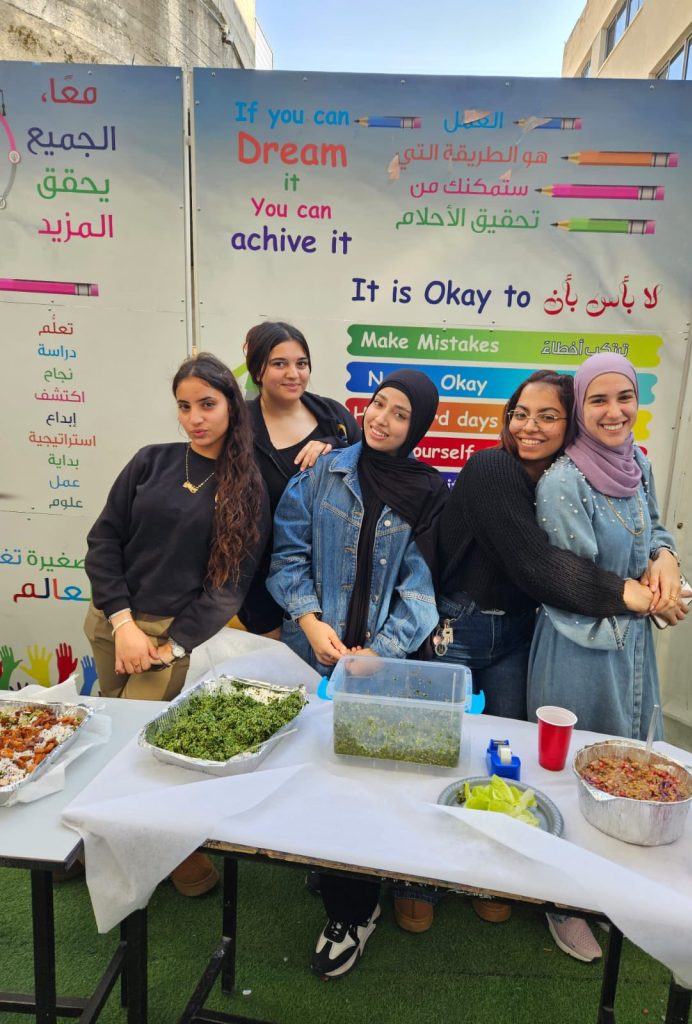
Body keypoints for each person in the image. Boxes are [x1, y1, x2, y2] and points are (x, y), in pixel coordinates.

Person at [395, 369, 658, 945]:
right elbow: (535, 564)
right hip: (459, 629)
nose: (529, 426)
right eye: (520, 413)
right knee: (437, 752)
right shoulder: (493, 467)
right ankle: (419, 882)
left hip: (518, 634)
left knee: (504, 759)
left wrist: (663, 558)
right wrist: (627, 594)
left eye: (547, 416)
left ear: (570, 425)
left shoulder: (568, 475)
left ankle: (490, 876)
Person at [267, 369, 447, 978]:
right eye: (378, 404)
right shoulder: (324, 471)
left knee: (361, 786)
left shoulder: (429, 492)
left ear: (417, 428)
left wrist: (382, 652)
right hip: (313, 654)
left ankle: (354, 912)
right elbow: (286, 555)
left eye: (400, 413)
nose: (382, 419)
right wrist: (310, 620)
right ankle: (333, 870)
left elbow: (423, 590)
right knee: (317, 773)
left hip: (380, 667)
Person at [84, 352, 269, 896]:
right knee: (106, 742)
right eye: (184, 407)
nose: (195, 418)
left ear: (232, 405)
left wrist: (171, 647)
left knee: (140, 753)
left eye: (207, 404)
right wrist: (122, 623)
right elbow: (103, 540)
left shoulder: (248, 487)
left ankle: (171, 854)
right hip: (111, 621)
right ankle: (97, 843)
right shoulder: (151, 461)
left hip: (167, 637)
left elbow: (228, 588)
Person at [527, 352, 685, 961]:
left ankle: (616, 886)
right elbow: (574, 585)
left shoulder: (638, 463)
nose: (614, 412)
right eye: (598, 400)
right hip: (582, 647)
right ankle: (562, 901)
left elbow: (655, 532)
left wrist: (667, 562)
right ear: (580, 410)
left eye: (625, 398)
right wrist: (649, 600)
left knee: (630, 769)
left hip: (633, 645)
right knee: (576, 774)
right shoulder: (564, 482)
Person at [238, 321, 361, 637]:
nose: (293, 374)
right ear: (257, 370)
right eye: (280, 364)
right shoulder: (238, 429)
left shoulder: (334, 419)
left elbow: (368, 464)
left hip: (334, 587)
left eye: (301, 363)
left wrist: (333, 446)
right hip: (264, 592)